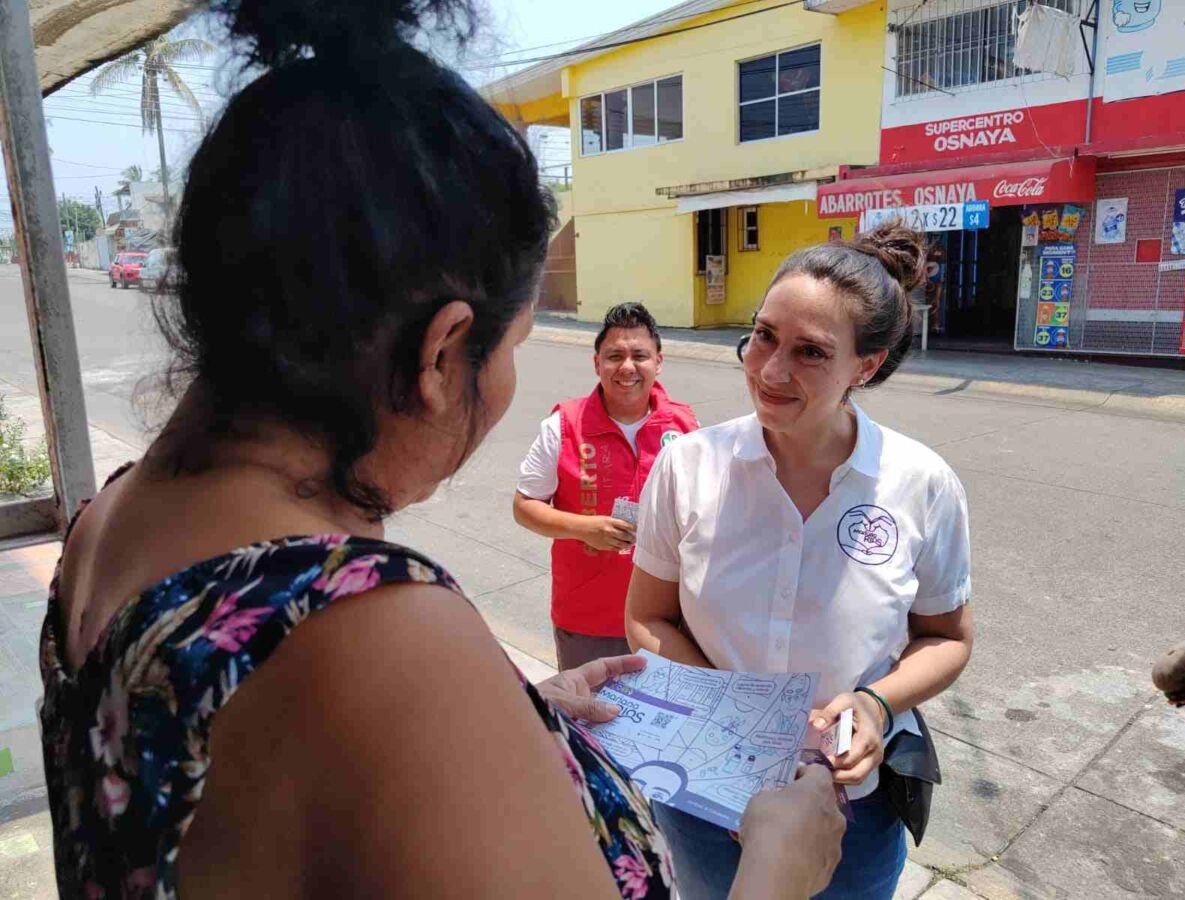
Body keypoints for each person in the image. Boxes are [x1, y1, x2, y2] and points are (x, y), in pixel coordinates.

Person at [37, 1, 847, 897]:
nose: (502, 391)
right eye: (507, 352)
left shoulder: (106, 521)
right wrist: (776, 865)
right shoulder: (364, 634)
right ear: (439, 353)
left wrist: (512, 722)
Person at [627, 223, 975, 900]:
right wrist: (742, 735)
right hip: (703, 796)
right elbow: (647, 617)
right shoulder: (688, 466)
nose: (770, 371)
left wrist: (876, 705)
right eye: (763, 336)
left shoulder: (922, 484)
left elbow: (946, 637)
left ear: (865, 366)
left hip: (853, 810)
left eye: (811, 352)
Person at [513, 302, 698, 670]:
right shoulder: (563, 425)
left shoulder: (684, 425)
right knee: (589, 719)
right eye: (614, 356)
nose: (627, 367)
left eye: (639, 355)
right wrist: (585, 528)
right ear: (597, 363)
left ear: (658, 362)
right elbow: (524, 506)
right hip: (587, 619)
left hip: (668, 620)